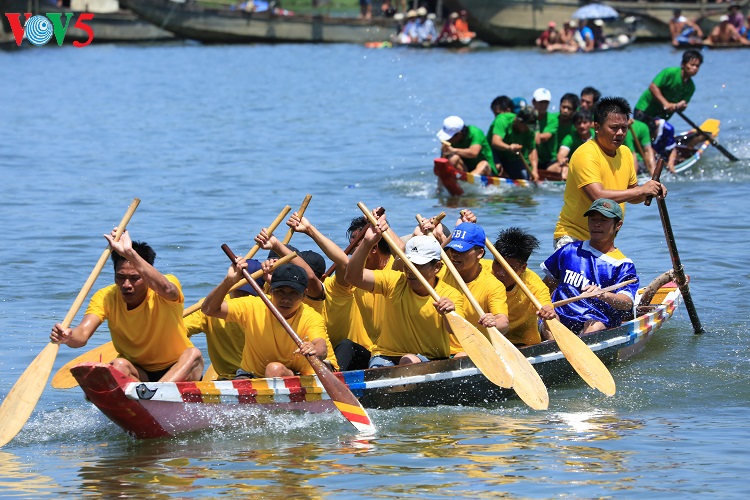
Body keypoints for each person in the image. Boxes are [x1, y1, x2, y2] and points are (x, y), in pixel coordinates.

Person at [50, 230, 204, 383]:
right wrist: (68, 336)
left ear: (146, 274)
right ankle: (150, 393)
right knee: (118, 365)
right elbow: (82, 334)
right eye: (120, 277)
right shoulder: (105, 297)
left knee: (194, 354)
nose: (126, 285)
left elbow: (168, 290)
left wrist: (130, 253)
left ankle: (155, 392)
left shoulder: (165, 286)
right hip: (138, 373)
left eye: (135, 278)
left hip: (180, 369)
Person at [345, 215, 464, 368]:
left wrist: (448, 314)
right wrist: (367, 243)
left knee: (409, 360)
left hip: (431, 359)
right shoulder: (394, 282)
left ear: (437, 267)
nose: (410, 271)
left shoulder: (450, 295)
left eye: (418, 265)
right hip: (386, 356)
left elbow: (456, 331)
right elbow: (352, 277)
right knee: (394, 363)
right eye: (408, 264)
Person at [553, 97, 667, 247]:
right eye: (614, 128)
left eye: (624, 128)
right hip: (573, 237)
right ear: (597, 127)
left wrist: (651, 190)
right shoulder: (586, 154)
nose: (620, 133)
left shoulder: (625, 153)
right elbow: (598, 197)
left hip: (604, 241)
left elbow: (632, 195)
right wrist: (641, 191)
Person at [202, 261, 329, 378]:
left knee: (274, 369)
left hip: (302, 375)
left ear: (304, 295)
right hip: (252, 374)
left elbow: (321, 347)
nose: (286, 299)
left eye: (293, 293)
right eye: (280, 291)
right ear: (271, 291)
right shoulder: (253, 305)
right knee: (273, 369)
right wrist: (228, 282)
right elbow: (208, 309)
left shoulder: (311, 317)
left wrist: (313, 349)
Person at [542, 198, 639, 335]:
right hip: (560, 317)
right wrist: (544, 306)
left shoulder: (623, 265)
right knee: (550, 322)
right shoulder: (569, 250)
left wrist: (603, 294)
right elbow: (546, 285)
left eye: (603, 220)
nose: (597, 225)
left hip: (596, 322)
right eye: (593, 219)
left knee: (594, 326)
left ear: (618, 225)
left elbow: (627, 303)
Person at [433, 220, 510, 355]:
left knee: (461, 356)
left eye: (461, 250)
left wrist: (494, 322)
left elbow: (503, 322)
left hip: (470, 350)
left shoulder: (492, 285)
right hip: (438, 349)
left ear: (479, 253)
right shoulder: (439, 270)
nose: (454, 254)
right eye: (452, 249)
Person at [183, 259, 265, 380]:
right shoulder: (210, 305)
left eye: (247, 294)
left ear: (263, 290)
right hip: (227, 377)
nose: (243, 300)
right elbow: (179, 330)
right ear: (231, 287)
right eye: (240, 292)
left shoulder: (270, 306)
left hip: (261, 376)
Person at [489, 227, 555, 346]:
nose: (500, 273)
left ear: (523, 268)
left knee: (551, 329)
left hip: (523, 343)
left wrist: (549, 313)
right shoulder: (481, 271)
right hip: (490, 338)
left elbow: (550, 313)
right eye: (497, 263)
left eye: (510, 268)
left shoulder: (534, 286)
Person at [634, 49, 703, 123]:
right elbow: (653, 87)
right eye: (692, 65)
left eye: (697, 66)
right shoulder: (670, 73)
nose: (695, 68)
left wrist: (681, 106)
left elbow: (682, 104)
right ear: (683, 64)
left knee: (668, 129)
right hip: (644, 109)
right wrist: (666, 104)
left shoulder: (691, 87)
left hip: (661, 116)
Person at [487, 106, 538, 181]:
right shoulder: (502, 120)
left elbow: (532, 150)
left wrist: (534, 170)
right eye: (526, 126)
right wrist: (509, 147)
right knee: (497, 167)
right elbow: (495, 142)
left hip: (512, 157)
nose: (528, 129)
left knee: (525, 178)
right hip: (493, 151)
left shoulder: (529, 130)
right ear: (519, 121)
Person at [549, 109, 595, 181]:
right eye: (578, 123)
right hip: (573, 167)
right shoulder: (569, 138)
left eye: (585, 122)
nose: (581, 126)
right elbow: (561, 155)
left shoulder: (598, 136)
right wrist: (562, 160)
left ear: (591, 123)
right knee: (564, 170)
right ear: (574, 125)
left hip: (593, 165)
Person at [532, 88, 559, 173]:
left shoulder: (553, 119)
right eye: (540, 102)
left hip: (548, 161)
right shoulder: (527, 117)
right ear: (533, 102)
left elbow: (542, 138)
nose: (543, 105)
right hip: (530, 158)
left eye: (546, 102)